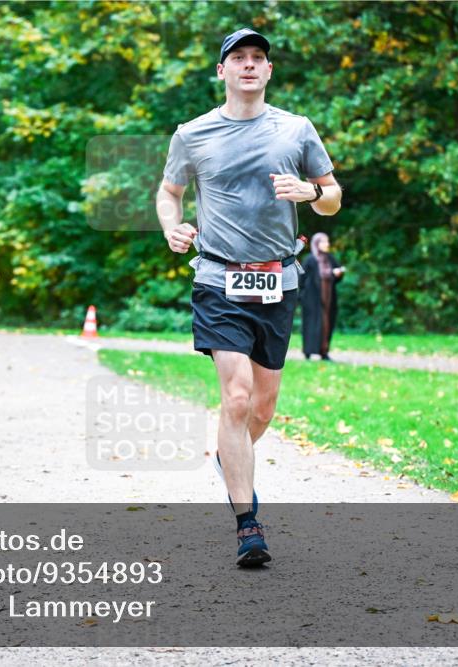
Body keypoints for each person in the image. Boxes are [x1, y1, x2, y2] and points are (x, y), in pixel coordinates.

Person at [156, 28, 342, 567]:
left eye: (258, 58)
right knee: (235, 397)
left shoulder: (296, 129)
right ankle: (248, 525)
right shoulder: (192, 134)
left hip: (278, 280)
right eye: (237, 58)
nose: (248, 65)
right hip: (217, 279)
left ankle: (227, 455)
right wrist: (173, 226)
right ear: (222, 71)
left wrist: (310, 192)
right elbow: (170, 193)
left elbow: (331, 198)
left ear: (268, 71)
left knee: (263, 406)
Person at [300, 232, 346, 361]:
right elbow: (302, 279)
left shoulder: (330, 259)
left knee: (327, 323)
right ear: (316, 243)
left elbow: (336, 277)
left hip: (328, 299)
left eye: (327, 241)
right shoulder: (310, 259)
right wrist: (302, 296)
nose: (327, 244)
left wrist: (338, 274)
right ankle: (308, 351)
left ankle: (323, 351)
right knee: (312, 324)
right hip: (312, 299)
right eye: (324, 242)